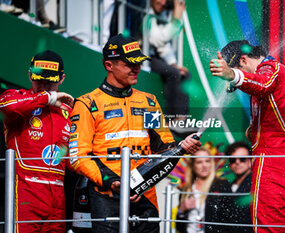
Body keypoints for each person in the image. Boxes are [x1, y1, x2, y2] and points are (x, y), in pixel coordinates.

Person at [68, 33, 201, 233]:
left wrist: (182, 146)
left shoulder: (149, 102)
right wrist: (113, 182)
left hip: (145, 193)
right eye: (129, 63)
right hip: (106, 194)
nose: (136, 68)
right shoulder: (88, 104)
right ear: (108, 65)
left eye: (139, 62)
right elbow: (78, 157)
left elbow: (164, 144)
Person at [209, 40, 285, 233]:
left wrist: (232, 75)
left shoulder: (269, 70)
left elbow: (263, 84)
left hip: (271, 171)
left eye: (237, 68)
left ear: (242, 59)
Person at [0, 50, 74, 232]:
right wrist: (48, 98)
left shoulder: (69, 110)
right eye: (38, 79)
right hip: (25, 190)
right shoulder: (16, 97)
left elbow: (73, 157)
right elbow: (8, 108)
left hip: (58, 194)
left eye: (50, 81)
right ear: (29, 75)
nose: (43, 85)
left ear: (62, 79)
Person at [144, 0, 190, 120]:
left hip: (152, 55)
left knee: (184, 74)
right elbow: (156, 39)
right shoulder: (144, 11)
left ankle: (182, 119)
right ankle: (172, 119)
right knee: (173, 73)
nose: (163, 3)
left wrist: (173, 63)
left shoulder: (160, 12)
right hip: (141, 55)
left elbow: (163, 45)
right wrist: (176, 19)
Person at [176, 148, 232, 233]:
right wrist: (182, 210)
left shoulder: (222, 185)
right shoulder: (186, 189)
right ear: (193, 165)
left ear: (211, 163)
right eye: (199, 162)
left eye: (207, 161)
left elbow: (230, 220)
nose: (204, 165)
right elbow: (179, 227)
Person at [226, 141, 253, 233]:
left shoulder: (256, 185)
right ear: (229, 164)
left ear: (250, 161)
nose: (237, 162)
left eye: (242, 159)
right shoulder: (228, 187)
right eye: (233, 160)